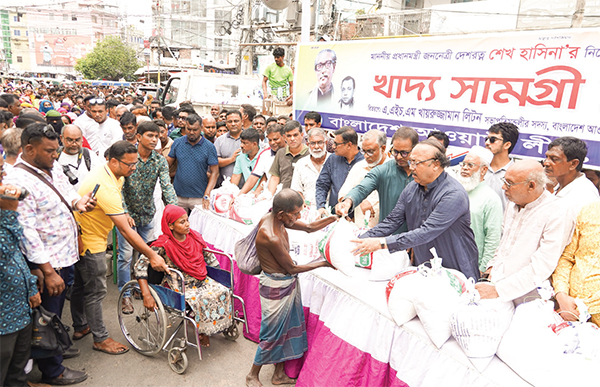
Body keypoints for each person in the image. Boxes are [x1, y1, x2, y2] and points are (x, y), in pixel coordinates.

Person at [5, 123, 95, 385]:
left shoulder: (50, 167)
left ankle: (55, 351)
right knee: (46, 317)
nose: (55, 156)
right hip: (48, 263)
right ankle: (52, 371)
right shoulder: (17, 181)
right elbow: (27, 232)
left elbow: (68, 192)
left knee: (54, 314)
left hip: (65, 256)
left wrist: (80, 202)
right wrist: (46, 270)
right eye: (49, 151)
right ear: (29, 149)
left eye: (56, 150)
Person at [72, 141, 170, 356]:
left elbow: (118, 206)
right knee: (96, 292)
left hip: (85, 235)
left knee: (81, 287)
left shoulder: (114, 173)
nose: (134, 168)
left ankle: (80, 327)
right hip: (90, 242)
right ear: (114, 161)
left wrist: (123, 212)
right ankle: (101, 338)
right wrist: (152, 254)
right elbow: (125, 232)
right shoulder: (105, 184)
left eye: (135, 164)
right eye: (130, 165)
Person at [245, 189, 339, 387]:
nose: (298, 218)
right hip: (275, 286)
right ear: (281, 214)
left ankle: (279, 374)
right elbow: (292, 267)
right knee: (271, 334)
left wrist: (335, 217)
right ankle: (252, 375)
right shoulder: (270, 235)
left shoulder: (277, 219)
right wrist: (323, 262)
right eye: (295, 214)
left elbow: (310, 227)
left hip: (287, 283)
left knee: (286, 329)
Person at [354, 139, 480, 280]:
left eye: (416, 163)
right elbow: (392, 221)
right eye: (411, 161)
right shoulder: (412, 188)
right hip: (424, 267)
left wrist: (381, 243)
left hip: (456, 270)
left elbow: (426, 232)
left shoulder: (453, 194)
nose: (411, 167)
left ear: (435, 164)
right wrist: (359, 240)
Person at [475, 160, 574, 304]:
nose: (503, 187)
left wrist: (499, 290)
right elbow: (505, 243)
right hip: (496, 288)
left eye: (509, 183)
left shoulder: (558, 211)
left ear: (531, 186)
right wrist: (492, 267)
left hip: (529, 299)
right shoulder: (513, 203)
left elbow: (543, 265)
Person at [134, 204, 231, 346]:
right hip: (180, 284)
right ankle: (201, 330)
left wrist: (219, 278)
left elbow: (210, 257)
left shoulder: (195, 237)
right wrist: (146, 294)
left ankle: (208, 327)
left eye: (187, 220)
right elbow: (140, 266)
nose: (187, 225)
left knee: (223, 290)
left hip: (201, 279)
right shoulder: (162, 244)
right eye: (182, 222)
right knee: (201, 299)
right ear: (170, 226)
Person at [118, 121, 178, 313]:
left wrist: (175, 212)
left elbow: (167, 186)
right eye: (150, 136)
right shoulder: (128, 157)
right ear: (138, 137)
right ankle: (125, 295)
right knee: (126, 256)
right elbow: (117, 187)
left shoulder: (159, 160)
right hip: (126, 214)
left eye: (157, 136)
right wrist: (125, 212)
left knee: (147, 254)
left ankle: (141, 288)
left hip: (148, 213)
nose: (155, 139)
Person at [0, 157, 42, 387]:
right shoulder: (5, 212)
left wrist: (30, 286)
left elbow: (16, 255)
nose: (3, 178)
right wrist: (8, 212)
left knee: (17, 371)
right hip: (2, 317)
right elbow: (3, 252)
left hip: (19, 308)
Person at [336, 126, 417, 231]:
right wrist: (348, 202)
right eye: (395, 152)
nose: (399, 157)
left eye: (404, 153)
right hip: (386, 239)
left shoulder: (422, 173)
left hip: (415, 238)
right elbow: (362, 188)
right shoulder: (384, 169)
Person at [455, 146, 503, 274]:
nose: (464, 168)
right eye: (463, 164)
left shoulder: (491, 199)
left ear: (483, 170)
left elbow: (493, 237)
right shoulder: (454, 192)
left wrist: (483, 268)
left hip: (472, 265)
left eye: (470, 165)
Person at [553, 201, 600, 326]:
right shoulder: (588, 212)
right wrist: (561, 295)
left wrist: (581, 308)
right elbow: (567, 258)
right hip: (567, 311)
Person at [167, 117, 219, 212]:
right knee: (177, 225)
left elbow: (215, 173)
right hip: (178, 195)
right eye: (189, 129)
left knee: (198, 226)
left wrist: (207, 194)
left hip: (199, 197)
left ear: (201, 128)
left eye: (195, 130)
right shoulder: (177, 143)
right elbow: (167, 165)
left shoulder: (209, 147)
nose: (191, 132)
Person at [338, 129, 388, 227]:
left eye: (370, 152)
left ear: (383, 148)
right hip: (360, 231)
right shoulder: (359, 167)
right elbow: (343, 194)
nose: (366, 156)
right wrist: (356, 200)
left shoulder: (393, 169)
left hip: (386, 234)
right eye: (363, 151)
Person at [315, 126, 364, 217]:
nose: (333, 146)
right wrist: (321, 207)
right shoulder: (333, 159)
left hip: (357, 220)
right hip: (334, 217)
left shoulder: (364, 163)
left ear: (349, 145)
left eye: (336, 144)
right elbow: (322, 184)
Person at [543, 136, 599, 216]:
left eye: (554, 159)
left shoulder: (585, 195)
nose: (546, 163)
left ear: (573, 164)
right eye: (547, 157)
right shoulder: (556, 187)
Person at [239, 123, 287, 195]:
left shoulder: (293, 153)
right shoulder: (265, 155)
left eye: (275, 139)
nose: (272, 143)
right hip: (269, 195)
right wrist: (240, 195)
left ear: (284, 137)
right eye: (270, 140)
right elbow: (254, 177)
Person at [484, 122, 520, 210]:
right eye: (486, 139)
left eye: (493, 140)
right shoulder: (479, 167)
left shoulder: (516, 173)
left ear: (507, 145)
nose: (487, 143)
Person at [267, 121, 309, 194]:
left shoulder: (309, 153)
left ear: (302, 135)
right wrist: (269, 196)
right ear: (284, 137)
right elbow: (275, 178)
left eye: (295, 135)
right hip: (284, 197)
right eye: (289, 136)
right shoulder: (280, 153)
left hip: (305, 198)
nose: (292, 138)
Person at [291, 128, 329, 206]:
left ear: (326, 143)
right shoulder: (301, 163)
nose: (316, 147)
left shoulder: (334, 161)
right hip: (307, 210)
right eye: (312, 143)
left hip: (331, 210)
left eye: (320, 142)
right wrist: (303, 203)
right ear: (308, 144)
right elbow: (296, 190)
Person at [57, 125, 103, 190]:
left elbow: (100, 178)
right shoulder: (54, 156)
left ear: (82, 139)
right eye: (70, 140)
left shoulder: (89, 155)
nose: (74, 144)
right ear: (62, 138)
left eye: (77, 140)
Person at [215, 110, 243, 187]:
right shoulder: (220, 140)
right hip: (225, 187)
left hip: (248, 188)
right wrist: (231, 159)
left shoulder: (250, 139)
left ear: (242, 122)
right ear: (226, 123)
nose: (233, 124)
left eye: (236, 121)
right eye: (230, 121)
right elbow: (215, 162)